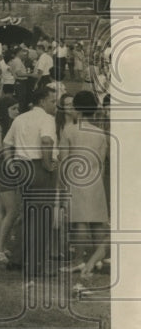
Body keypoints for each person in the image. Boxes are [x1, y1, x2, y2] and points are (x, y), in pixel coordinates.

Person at [3, 84, 58, 278]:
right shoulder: (47, 119)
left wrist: (11, 164)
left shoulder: (20, 118)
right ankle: (36, 265)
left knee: (26, 215)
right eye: (53, 101)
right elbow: (46, 141)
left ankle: (17, 259)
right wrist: (48, 163)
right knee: (42, 217)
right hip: (38, 167)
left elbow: (6, 143)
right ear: (42, 101)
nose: (55, 105)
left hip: (22, 167)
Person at [57, 90, 109, 280]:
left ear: (77, 109)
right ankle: (97, 259)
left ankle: (78, 259)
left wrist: (62, 184)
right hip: (96, 179)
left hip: (75, 179)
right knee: (96, 221)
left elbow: (64, 159)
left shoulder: (70, 130)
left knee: (79, 221)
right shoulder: (100, 133)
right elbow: (102, 162)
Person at [0, 95, 22, 265]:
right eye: (13, 109)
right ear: (5, 109)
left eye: (18, 108)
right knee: (12, 210)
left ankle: (3, 245)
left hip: (8, 169)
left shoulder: (11, 125)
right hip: (2, 169)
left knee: (3, 209)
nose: (17, 112)